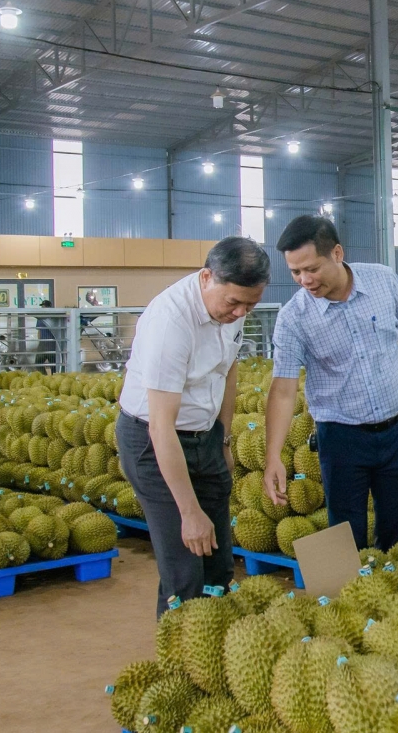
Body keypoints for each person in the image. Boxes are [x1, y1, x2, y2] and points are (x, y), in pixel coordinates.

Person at [263, 215, 398, 551]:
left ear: (336, 253)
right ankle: (350, 598)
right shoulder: (293, 318)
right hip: (341, 437)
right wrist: (272, 455)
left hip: (397, 430)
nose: (304, 280)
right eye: (295, 272)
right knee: (346, 532)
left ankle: (391, 589)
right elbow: (283, 391)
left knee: (397, 525)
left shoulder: (382, 280)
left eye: (311, 268)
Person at [116, 236, 270, 617]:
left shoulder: (234, 311)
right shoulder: (170, 322)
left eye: (250, 305)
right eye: (233, 302)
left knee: (217, 562)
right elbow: (161, 427)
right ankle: (180, 664)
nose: (240, 313)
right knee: (185, 564)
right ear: (206, 278)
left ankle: (218, 653)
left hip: (205, 435)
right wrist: (188, 511)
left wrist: (224, 440)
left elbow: (228, 368)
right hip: (154, 442)